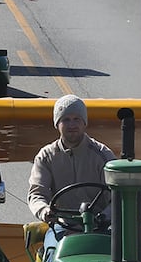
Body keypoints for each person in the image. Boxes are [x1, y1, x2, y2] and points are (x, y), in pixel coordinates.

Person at [26, 95, 115, 224]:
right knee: (49, 245)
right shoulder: (46, 156)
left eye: (76, 119)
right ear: (57, 124)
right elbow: (37, 193)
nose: (72, 124)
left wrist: (104, 217)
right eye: (66, 120)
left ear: (84, 122)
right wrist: (44, 210)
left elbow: (118, 196)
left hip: (98, 226)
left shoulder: (102, 155)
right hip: (62, 225)